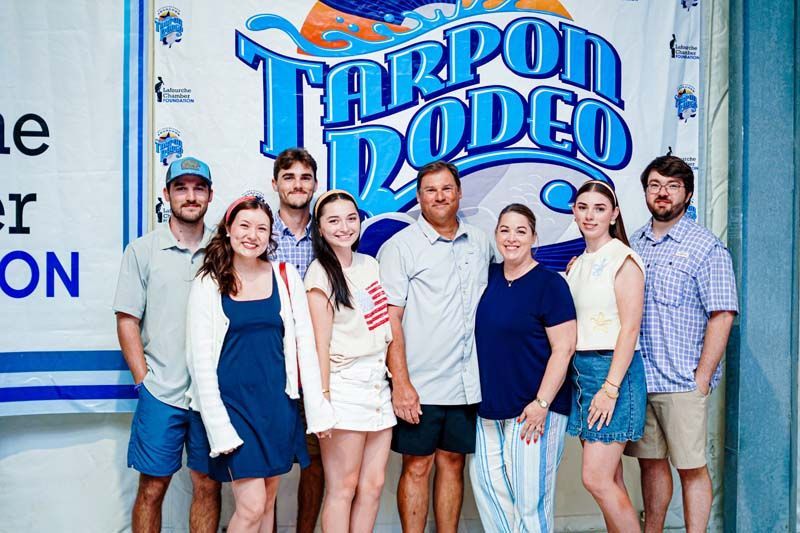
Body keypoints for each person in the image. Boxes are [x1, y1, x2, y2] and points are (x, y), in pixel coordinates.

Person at [186, 194, 335, 533]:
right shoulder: (208, 283)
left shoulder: (285, 277)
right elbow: (199, 363)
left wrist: (317, 407)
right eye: (244, 226)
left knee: (267, 502)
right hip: (232, 407)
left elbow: (304, 346)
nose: (252, 235)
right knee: (251, 507)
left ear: (270, 236)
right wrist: (218, 425)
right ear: (228, 229)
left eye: (262, 228)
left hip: (276, 406)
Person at [378, 160, 494, 533]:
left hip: (466, 382)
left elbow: (515, 274)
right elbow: (390, 319)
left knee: (453, 463)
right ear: (419, 197)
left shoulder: (481, 241)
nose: (440, 196)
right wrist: (402, 383)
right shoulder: (401, 247)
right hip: (420, 384)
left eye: (447, 188)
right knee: (417, 465)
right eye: (431, 190)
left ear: (459, 193)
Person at [624, 156, 738, 533]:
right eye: (655, 184)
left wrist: (701, 377)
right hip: (641, 380)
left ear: (687, 194)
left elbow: (722, 314)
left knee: (691, 468)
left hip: (682, 382)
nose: (662, 193)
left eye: (672, 186)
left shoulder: (706, 247)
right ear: (645, 191)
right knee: (651, 464)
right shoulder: (633, 243)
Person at [113, 156, 220, 533]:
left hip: (212, 396)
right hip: (161, 392)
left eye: (198, 188)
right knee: (152, 487)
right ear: (167, 194)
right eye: (181, 188)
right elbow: (127, 319)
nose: (190, 196)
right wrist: (144, 381)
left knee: (207, 485)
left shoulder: (225, 250)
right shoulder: (142, 251)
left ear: (209, 195)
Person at [470, 203, 577, 532]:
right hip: (489, 408)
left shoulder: (550, 284)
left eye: (520, 231)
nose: (512, 238)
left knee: (531, 502)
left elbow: (564, 347)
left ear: (534, 237)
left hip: (534, 409)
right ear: (496, 235)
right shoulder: (488, 278)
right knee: (490, 492)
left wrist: (542, 403)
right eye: (505, 230)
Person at [304, 189, 396, 532]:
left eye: (351, 218)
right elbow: (318, 345)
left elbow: (379, 324)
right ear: (320, 227)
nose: (344, 227)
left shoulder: (369, 264)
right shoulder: (319, 275)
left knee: (372, 486)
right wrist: (323, 401)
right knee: (342, 487)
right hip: (343, 387)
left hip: (377, 386)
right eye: (333, 220)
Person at [565, 179, 646, 532]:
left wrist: (610, 388)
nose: (590, 215)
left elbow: (630, 329)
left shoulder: (624, 259)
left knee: (596, 479)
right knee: (611, 479)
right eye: (583, 207)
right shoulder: (579, 263)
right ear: (574, 212)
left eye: (599, 208)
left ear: (614, 214)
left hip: (611, 371)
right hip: (582, 372)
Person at [270, 147, 325, 532]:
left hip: (317, 363)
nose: (297, 185)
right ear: (275, 184)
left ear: (315, 184)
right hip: (271, 360)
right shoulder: (258, 230)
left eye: (305, 177)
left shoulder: (329, 233)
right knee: (267, 460)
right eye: (289, 177)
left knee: (317, 458)